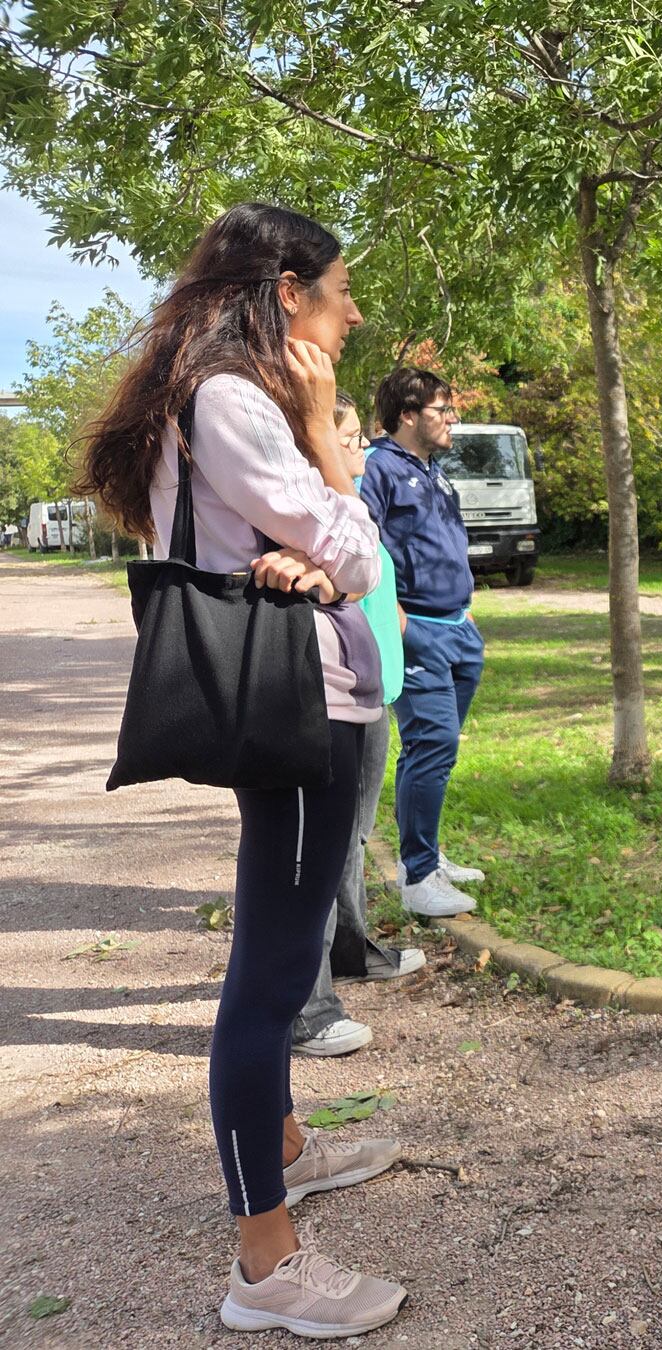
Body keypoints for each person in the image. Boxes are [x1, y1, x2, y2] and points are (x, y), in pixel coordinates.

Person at [76, 203, 407, 1336]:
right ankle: (263, 1267)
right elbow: (361, 556)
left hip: (299, 698)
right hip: (305, 709)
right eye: (340, 291)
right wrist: (327, 444)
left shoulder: (208, 401)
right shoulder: (233, 404)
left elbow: (332, 558)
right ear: (285, 295)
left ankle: (286, 1147)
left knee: (276, 951)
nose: (353, 311)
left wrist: (321, 541)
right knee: (270, 979)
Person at [291, 395, 425, 1058]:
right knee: (317, 848)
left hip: (372, 688)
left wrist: (393, 614)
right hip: (332, 694)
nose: (362, 450)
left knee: (353, 835)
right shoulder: (310, 509)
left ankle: (351, 951)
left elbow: (373, 577)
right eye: (348, 439)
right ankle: (307, 1004)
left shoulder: (348, 500)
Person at [360, 367, 487, 916]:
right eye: (443, 409)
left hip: (459, 628)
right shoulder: (379, 469)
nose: (453, 418)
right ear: (408, 415)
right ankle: (416, 879)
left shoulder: (432, 470)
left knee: (437, 750)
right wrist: (400, 625)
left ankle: (427, 854)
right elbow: (361, 551)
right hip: (421, 633)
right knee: (431, 744)